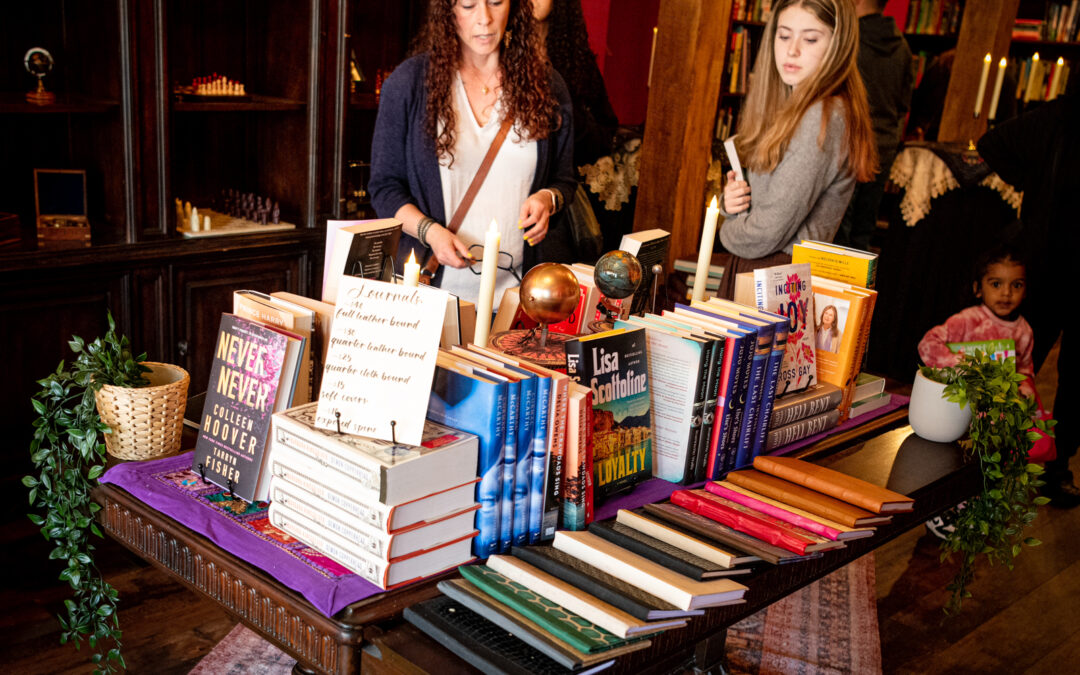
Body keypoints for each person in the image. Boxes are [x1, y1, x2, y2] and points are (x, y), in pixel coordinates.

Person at [369, 0, 577, 305]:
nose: (485, 18)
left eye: (496, 2)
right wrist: (431, 233)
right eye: (468, 5)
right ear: (448, 11)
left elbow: (565, 180)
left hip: (518, 299)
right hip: (431, 294)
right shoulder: (409, 84)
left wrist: (548, 199)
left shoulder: (545, 85)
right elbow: (384, 189)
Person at [718, 0, 877, 300]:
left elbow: (766, 232)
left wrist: (726, 229)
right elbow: (762, 207)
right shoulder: (793, 106)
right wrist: (732, 203)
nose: (792, 50)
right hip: (767, 271)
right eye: (784, 35)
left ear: (837, 45)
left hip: (776, 275)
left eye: (810, 38)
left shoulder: (822, 114)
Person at [978, 92, 1080, 508]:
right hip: (1047, 263)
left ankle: (1056, 466)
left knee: (1076, 380)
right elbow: (991, 144)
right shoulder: (1062, 111)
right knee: (1021, 364)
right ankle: (992, 461)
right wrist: (1031, 182)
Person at [917, 240, 1036, 537]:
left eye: (1016, 285)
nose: (1006, 293)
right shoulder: (967, 320)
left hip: (996, 418)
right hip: (959, 412)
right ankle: (940, 513)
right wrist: (966, 366)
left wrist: (1024, 394)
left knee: (987, 466)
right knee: (952, 465)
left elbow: (1025, 371)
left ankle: (977, 514)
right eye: (996, 283)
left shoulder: (1023, 331)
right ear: (978, 287)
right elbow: (928, 344)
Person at [832, 0, 913, 251]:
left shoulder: (847, 40)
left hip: (850, 139)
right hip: (884, 144)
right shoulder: (903, 48)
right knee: (864, 227)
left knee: (839, 226)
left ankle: (836, 287)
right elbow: (903, 104)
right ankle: (859, 288)